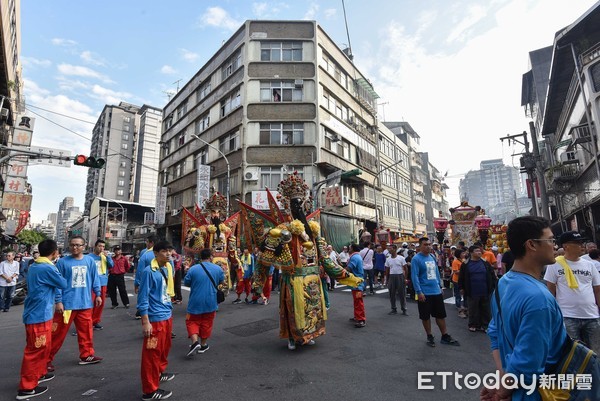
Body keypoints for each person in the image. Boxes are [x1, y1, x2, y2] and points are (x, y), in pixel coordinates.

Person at [481, 216, 567, 401]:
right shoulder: (539, 299)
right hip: (542, 393)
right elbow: (528, 362)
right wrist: (504, 390)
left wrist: (504, 379)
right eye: (550, 240)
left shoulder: (503, 283)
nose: (555, 245)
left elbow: (494, 332)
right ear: (532, 245)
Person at [16, 240, 67, 400]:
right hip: (38, 316)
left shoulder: (35, 266)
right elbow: (63, 283)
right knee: (35, 350)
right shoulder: (47, 267)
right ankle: (27, 388)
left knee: (43, 347)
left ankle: (39, 374)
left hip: (38, 314)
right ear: (55, 253)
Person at [48, 236, 102, 371]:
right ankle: (46, 359)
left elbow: (95, 279)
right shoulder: (62, 262)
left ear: (84, 247)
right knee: (57, 334)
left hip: (85, 304)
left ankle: (87, 355)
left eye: (78, 245)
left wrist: (98, 294)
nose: (75, 248)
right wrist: (58, 301)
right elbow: (57, 284)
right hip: (66, 306)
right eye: (72, 245)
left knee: (86, 332)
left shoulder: (89, 261)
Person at [543, 231, 600, 351]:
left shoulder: (590, 265)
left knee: (596, 353)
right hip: (568, 316)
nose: (582, 245)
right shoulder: (554, 265)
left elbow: (597, 290)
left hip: (591, 316)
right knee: (572, 354)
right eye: (577, 243)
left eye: (582, 242)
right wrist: (553, 315)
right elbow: (551, 292)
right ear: (566, 246)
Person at [137, 240, 176, 400]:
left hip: (166, 315)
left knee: (164, 349)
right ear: (155, 253)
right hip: (155, 319)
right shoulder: (148, 271)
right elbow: (143, 297)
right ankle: (149, 391)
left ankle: (159, 373)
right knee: (151, 354)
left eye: (170, 251)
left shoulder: (166, 268)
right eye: (164, 251)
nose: (168, 254)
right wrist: (145, 321)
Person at [411, 237, 460, 347]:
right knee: (425, 316)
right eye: (425, 244)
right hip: (424, 293)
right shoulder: (416, 259)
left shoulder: (432, 256)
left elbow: (437, 273)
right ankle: (429, 336)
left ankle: (445, 335)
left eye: (429, 244)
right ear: (420, 246)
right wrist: (419, 292)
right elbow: (415, 276)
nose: (428, 246)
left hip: (436, 291)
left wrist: (440, 286)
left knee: (440, 315)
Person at [184, 248, 225, 356]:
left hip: (195, 300)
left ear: (201, 257)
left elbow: (187, 283)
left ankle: (194, 342)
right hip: (211, 301)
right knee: (207, 323)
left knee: (192, 321)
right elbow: (221, 280)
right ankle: (203, 345)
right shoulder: (218, 269)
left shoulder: (193, 269)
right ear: (211, 257)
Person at [458, 244, 497, 332]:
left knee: (486, 309)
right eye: (477, 251)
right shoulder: (465, 264)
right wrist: (461, 288)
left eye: (480, 251)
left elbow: (491, 274)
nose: (479, 252)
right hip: (472, 291)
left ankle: (485, 325)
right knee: (473, 309)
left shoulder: (485, 263)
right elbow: (461, 277)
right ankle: (473, 324)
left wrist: (494, 285)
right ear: (471, 253)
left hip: (485, 290)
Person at [88, 240, 113, 330]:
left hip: (103, 282)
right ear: (95, 246)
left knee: (100, 304)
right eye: (99, 246)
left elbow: (111, 266)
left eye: (103, 246)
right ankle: (87, 322)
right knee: (90, 303)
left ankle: (95, 321)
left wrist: (108, 257)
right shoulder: (89, 257)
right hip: (92, 283)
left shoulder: (105, 257)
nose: (101, 248)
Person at [135, 234, 159, 319]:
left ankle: (141, 311)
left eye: (147, 242)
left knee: (144, 295)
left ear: (151, 243)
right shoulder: (164, 252)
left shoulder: (145, 253)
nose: (146, 244)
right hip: (160, 280)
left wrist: (137, 283)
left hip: (146, 280)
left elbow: (140, 270)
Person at [347, 243, 366, 327]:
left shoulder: (354, 257)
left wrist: (339, 271)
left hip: (357, 283)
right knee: (356, 301)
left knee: (358, 301)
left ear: (353, 249)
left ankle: (361, 319)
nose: (348, 249)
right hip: (356, 283)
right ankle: (357, 317)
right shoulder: (356, 256)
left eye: (349, 248)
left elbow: (349, 268)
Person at [385, 244, 407, 315]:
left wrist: (405, 278)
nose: (389, 250)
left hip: (400, 276)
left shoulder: (401, 258)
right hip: (392, 277)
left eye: (390, 248)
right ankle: (393, 309)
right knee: (392, 294)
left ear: (395, 249)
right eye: (388, 249)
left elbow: (406, 269)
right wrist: (387, 280)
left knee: (402, 294)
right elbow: (387, 270)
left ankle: (404, 309)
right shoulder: (388, 259)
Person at [451, 248, 467, 318]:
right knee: (458, 294)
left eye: (464, 253)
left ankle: (465, 308)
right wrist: (464, 271)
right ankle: (459, 307)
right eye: (462, 253)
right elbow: (455, 271)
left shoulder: (465, 261)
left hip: (464, 280)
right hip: (457, 280)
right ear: (458, 254)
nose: (464, 254)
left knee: (465, 294)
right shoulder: (455, 261)